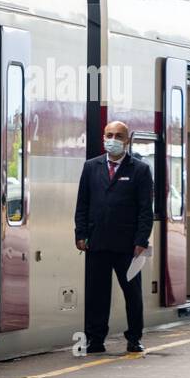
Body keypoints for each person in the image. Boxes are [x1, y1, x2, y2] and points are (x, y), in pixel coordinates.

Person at [74, 120, 154, 354]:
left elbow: (145, 210)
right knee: (96, 294)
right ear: (103, 138)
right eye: (109, 135)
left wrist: (141, 240)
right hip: (96, 242)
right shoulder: (91, 167)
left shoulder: (140, 169)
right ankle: (94, 339)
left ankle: (134, 338)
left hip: (128, 245)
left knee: (132, 293)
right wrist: (80, 233)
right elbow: (83, 203)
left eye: (119, 136)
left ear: (127, 140)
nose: (113, 140)